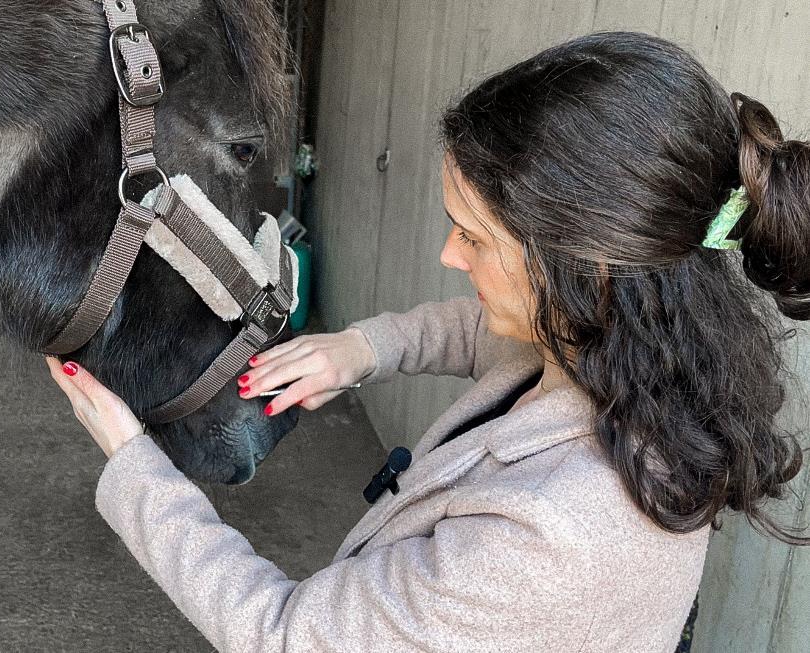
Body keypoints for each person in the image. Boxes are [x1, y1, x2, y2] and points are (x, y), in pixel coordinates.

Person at [45, 31, 810, 652]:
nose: (449, 256)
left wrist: (136, 464)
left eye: (475, 238)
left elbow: (282, 634)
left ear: (590, 268)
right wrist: (363, 349)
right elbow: (486, 334)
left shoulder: (550, 542)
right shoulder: (642, 354)